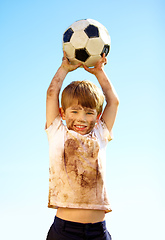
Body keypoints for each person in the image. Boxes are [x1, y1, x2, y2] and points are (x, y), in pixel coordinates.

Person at [45, 51, 119, 240]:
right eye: (75, 111)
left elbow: (113, 101)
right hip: (65, 231)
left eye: (89, 113)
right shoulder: (57, 132)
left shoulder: (100, 134)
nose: (81, 118)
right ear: (63, 112)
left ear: (97, 115)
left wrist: (99, 72)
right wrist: (64, 69)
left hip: (98, 231)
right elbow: (52, 94)